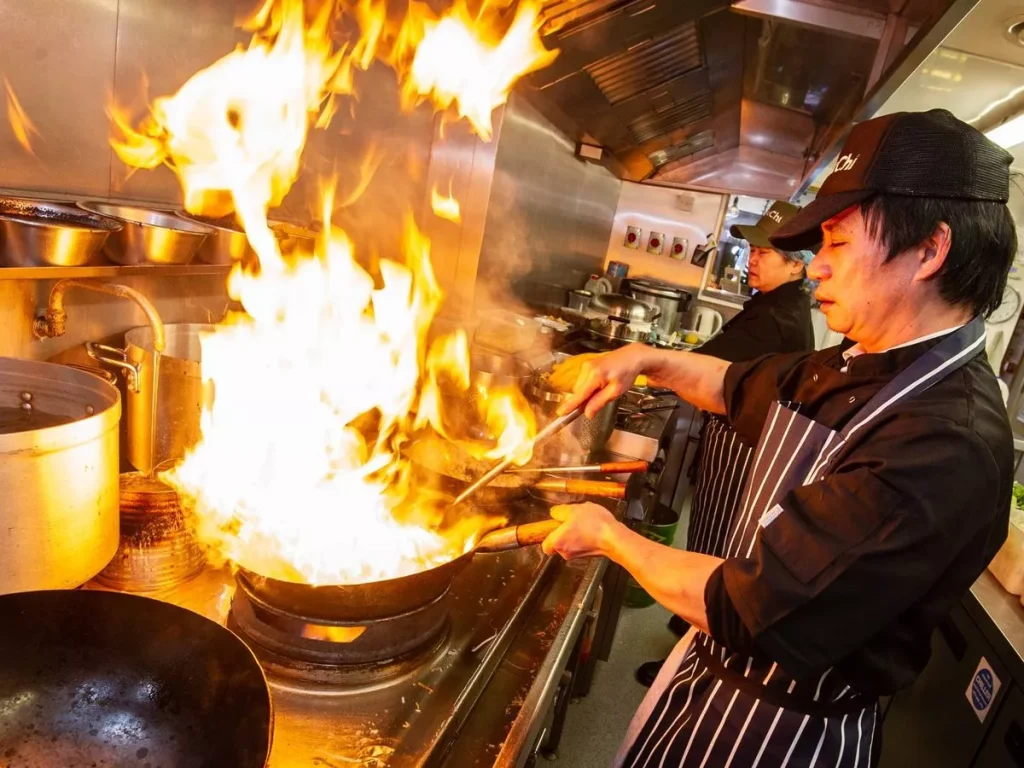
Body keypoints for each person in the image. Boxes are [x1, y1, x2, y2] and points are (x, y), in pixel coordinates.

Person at [542, 108, 1016, 766]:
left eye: (838, 244)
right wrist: (643, 359)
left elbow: (748, 608)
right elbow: (734, 384)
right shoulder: (856, 360)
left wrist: (608, 537)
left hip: (783, 736)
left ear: (929, 251)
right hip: (714, 684)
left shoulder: (944, 441)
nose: (817, 267)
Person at [636, 202, 817, 687]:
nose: (752, 259)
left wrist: (644, 366)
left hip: (742, 448)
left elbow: (705, 368)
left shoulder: (775, 316)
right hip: (742, 440)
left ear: (796, 265)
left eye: (765, 252)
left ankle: (693, 656)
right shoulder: (776, 305)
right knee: (715, 541)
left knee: (716, 546)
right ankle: (691, 634)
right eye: (752, 250)